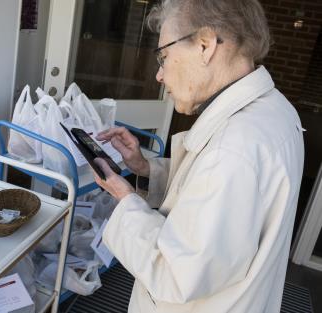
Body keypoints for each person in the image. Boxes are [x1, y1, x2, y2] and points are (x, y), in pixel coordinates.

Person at [92, 0, 305, 312]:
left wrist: (126, 199)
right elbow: (206, 192)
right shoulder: (276, 109)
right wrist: (146, 168)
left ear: (205, 45)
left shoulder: (233, 148)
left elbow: (176, 274)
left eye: (163, 56)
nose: (159, 76)